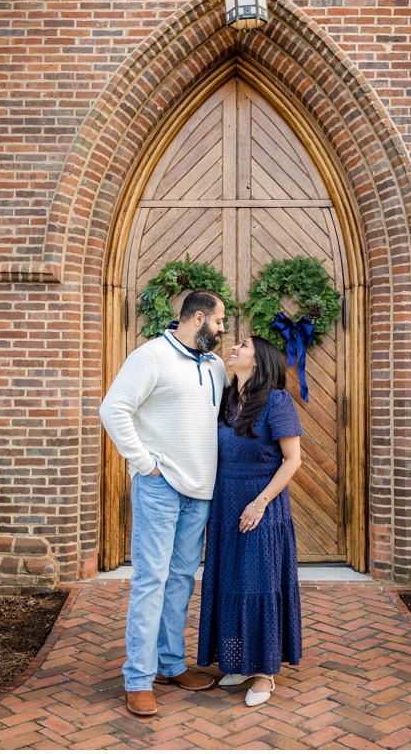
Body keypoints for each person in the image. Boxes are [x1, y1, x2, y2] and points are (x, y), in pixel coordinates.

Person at [99, 289, 228, 717]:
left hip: (201, 491)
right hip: (160, 486)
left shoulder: (216, 366)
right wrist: (143, 463)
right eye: (219, 321)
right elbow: (113, 408)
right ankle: (137, 677)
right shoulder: (151, 355)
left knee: (181, 582)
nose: (223, 329)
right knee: (151, 582)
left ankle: (170, 665)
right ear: (197, 319)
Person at [197, 334, 303, 707]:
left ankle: (264, 672)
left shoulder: (277, 401)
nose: (234, 347)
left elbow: (293, 460)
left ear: (259, 361)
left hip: (262, 503)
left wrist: (259, 503)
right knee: (230, 583)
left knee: (260, 584)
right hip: (226, 502)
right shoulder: (225, 399)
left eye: (243, 345)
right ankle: (238, 662)